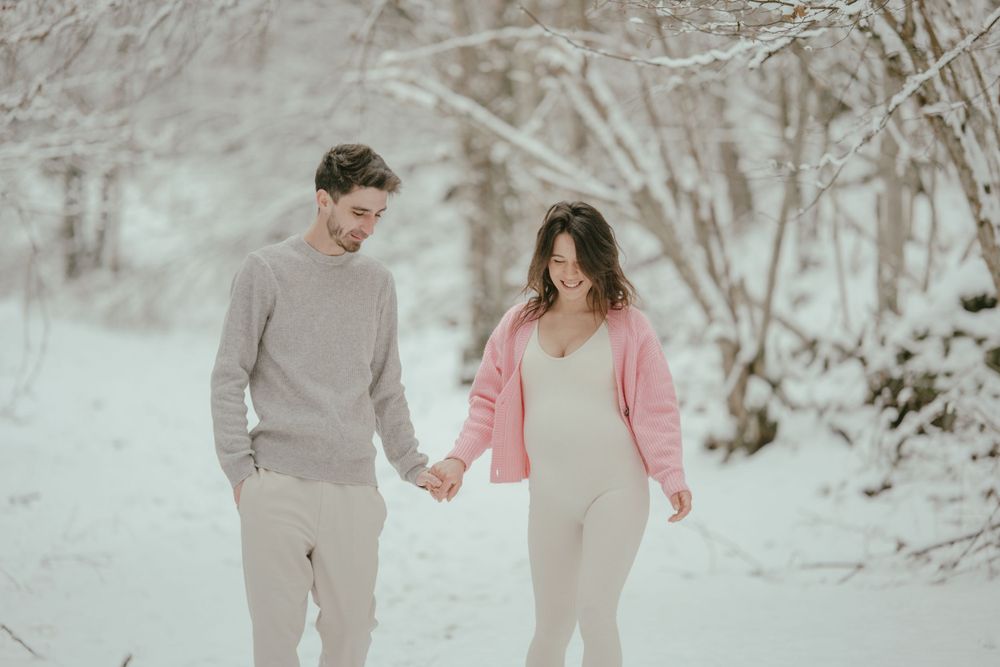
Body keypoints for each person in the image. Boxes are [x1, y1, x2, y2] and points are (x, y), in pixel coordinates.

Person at [430, 201, 692, 667]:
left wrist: (671, 476)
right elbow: (488, 402)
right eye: (558, 261)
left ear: (601, 261)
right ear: (544, 261)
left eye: (580, 262)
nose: (569, 274)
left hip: (615, 489)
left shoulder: (629, 327)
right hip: (551, 497)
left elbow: (656, 410)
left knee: (595, 613)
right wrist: (458, 458)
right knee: (551, 626)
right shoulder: (518, 325)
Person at [210, 143, 442, 667]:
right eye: (359, 212)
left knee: (351, 637)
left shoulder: (377, 283)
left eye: (378, 215)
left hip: (353, 489)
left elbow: (386, 384)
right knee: (275, 641)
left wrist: (411, 463)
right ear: (324, 199)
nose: (369, 227)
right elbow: (228, 375)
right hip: (277, 483)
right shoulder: (265, 271)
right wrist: (241, 474)